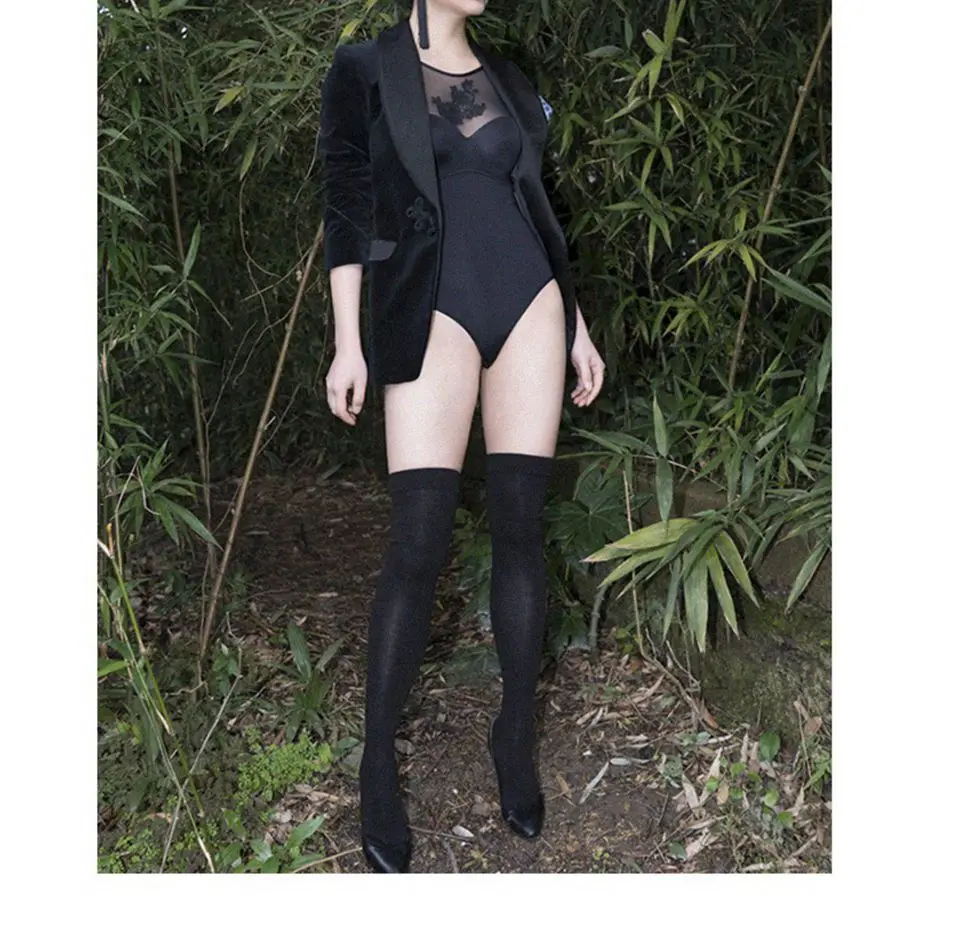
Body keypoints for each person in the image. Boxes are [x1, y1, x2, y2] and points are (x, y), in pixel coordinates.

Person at [317, 0, 605, 873]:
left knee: (520, 528)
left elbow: (538, 203)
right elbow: (347, 204)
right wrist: (347, 341)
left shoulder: (509, 79)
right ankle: (377, 762)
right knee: (418, 540)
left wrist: (578, 325)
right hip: (429, 306)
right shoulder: (365, 69)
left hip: (531, 302)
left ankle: (513, 731)